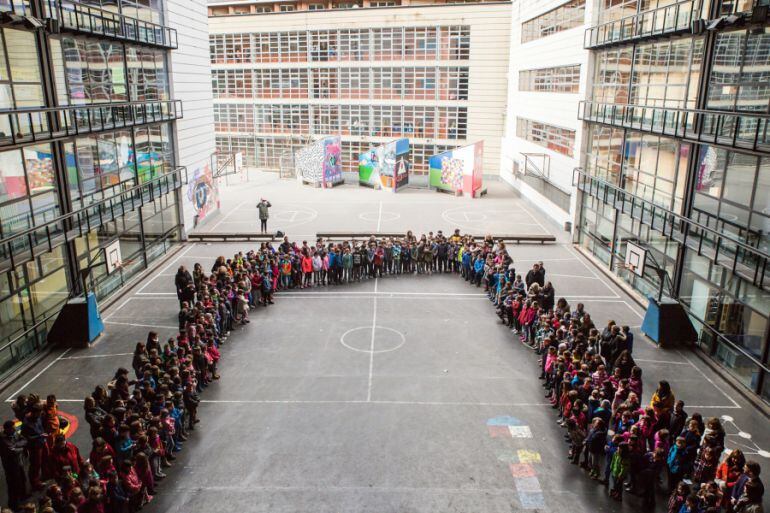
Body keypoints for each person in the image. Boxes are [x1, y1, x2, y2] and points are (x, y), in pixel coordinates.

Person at [0, 420, 27, 509]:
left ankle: (23, 496)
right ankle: (14, 505)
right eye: (12, 428)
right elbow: (12, 452)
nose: (15, 429)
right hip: (10, 466)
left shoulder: (14, 433)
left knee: (22, 480)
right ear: (7, 429)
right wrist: (20, 447)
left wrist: (15, 445)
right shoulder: (3, 439)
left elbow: (24, 440)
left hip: (19, 462)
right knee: (13, 485)